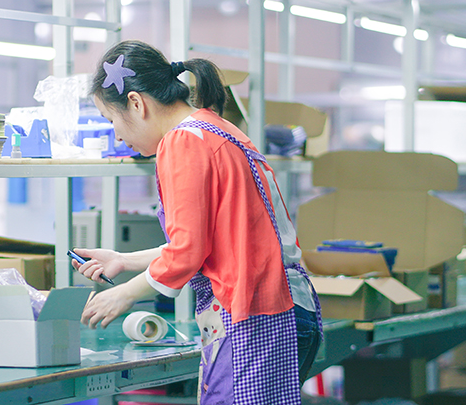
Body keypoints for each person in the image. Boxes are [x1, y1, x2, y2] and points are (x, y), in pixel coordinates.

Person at [72, 40, 323, 404]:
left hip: (253, 313)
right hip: (285, 305)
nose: (118, 136)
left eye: (111, 120)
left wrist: (123, 294)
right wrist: (124, 261)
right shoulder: (212, 128)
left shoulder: (181, 144)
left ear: (137, 104)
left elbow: (188, 251)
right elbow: (215, 238)